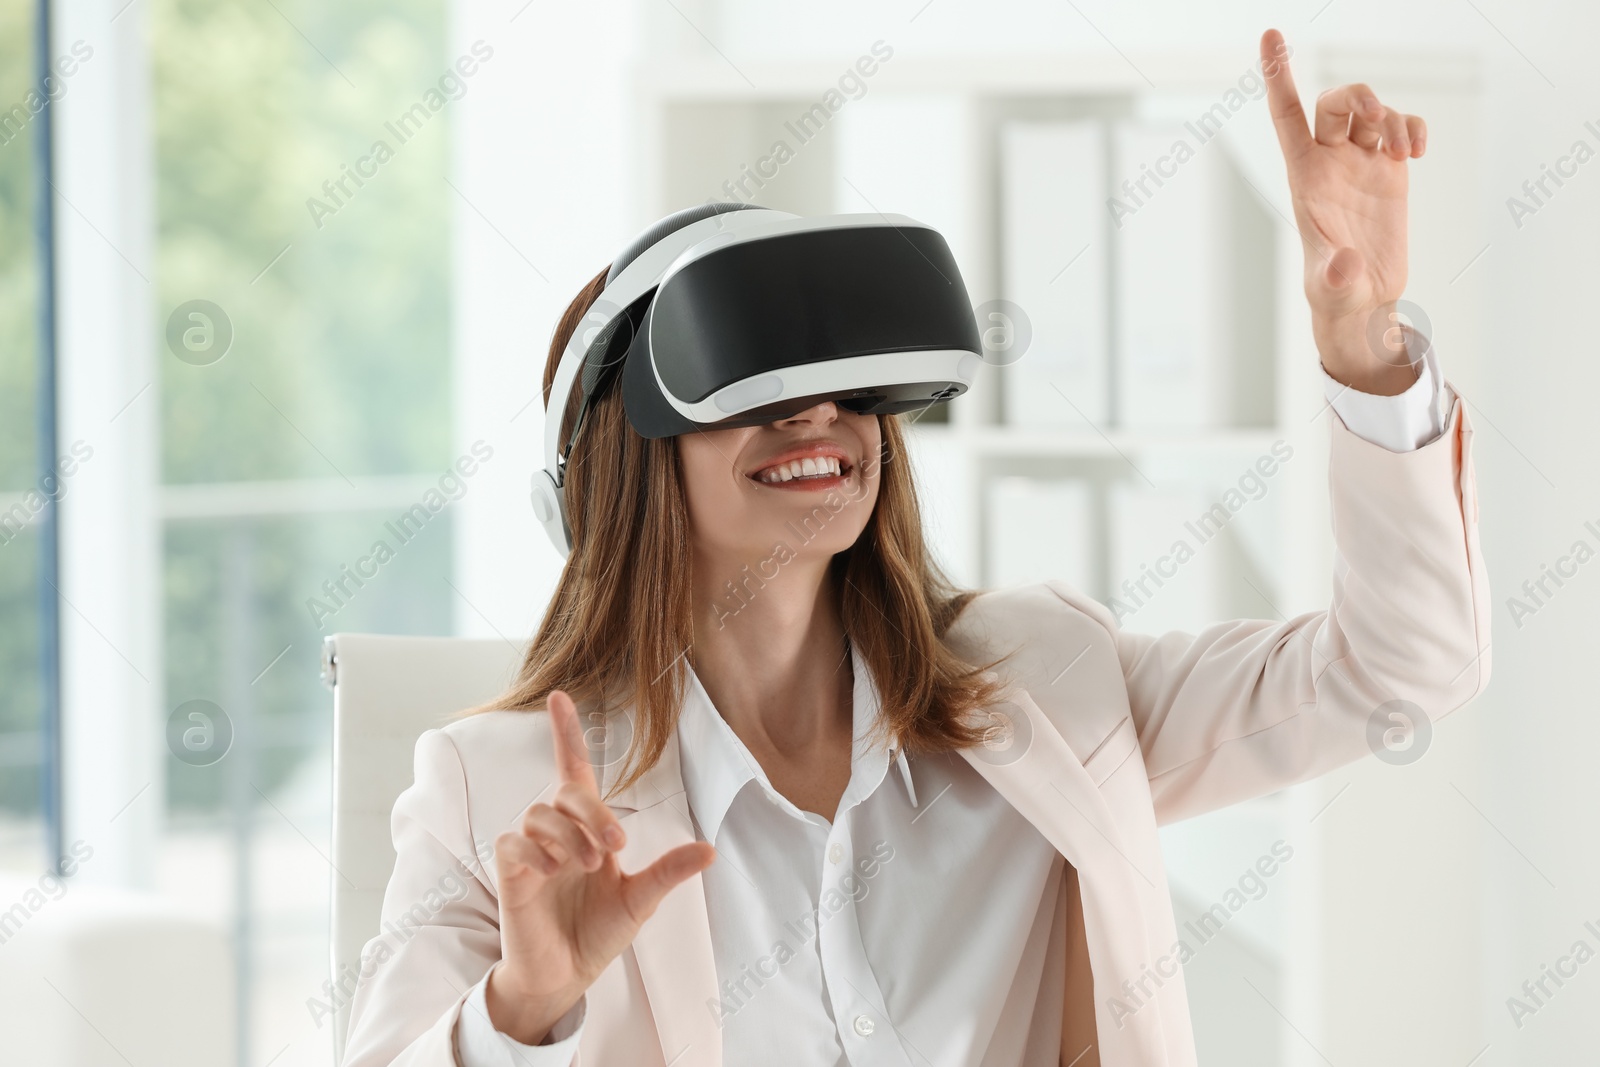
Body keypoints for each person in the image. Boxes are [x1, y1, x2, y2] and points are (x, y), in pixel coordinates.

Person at [340, 28, 1489, 1067]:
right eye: (759, 377)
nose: (818, 415)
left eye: (848, 383)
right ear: (625, 449)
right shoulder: (490, 794)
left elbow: (1397, 671)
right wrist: (522, 1007)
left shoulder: (1049, 686)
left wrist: (1363, 343)